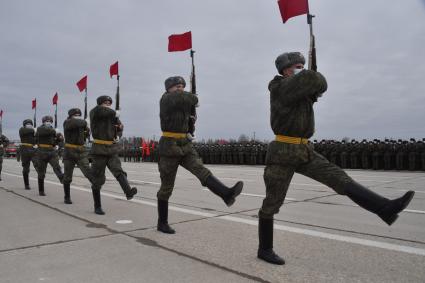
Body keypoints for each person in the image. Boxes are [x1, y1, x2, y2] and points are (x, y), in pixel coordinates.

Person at [258, 52, 415, 265]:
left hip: (304, 150)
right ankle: (265, 249)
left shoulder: (300, 90)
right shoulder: (279, 87)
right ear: (285, 70)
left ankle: (384, 208)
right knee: (272, 202)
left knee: (338, 177)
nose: (301, 69)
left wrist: (312, 76)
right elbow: (314, 80)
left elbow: (321, 84)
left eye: (303, 65)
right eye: (297, 66)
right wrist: (311, 73)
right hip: (283, 150)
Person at [157, 76, 243, 234]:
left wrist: (191, 121)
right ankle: (162, 222)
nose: (180, 88)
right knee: (167, 187)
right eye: (176, 86)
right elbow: (183, 98)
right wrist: (193, 97)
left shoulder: (184, 102)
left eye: (182, 85)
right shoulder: (167, 99)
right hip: (169, 146)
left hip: (185, 144)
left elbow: (190, 119)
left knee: (200, 169)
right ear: (168, 89)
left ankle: (226, 193)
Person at [90, 95, 137, 215]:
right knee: (97, 178)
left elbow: (119, 129)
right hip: (99, 149)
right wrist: (114, 113)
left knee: (118, 170)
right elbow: (102, 111)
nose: (107, 104)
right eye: (105, 102)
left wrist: (119, 129)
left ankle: (128, 192)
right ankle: (97, 206)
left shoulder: (112, 116)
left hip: (111, 149)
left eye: (109, 103)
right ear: (100, 103)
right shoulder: (96, 111)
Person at [62, 108, 93, 204]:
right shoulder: (67, 122)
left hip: (81, 151)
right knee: (67, 176)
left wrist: (87, 130)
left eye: (79, 115)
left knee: (88, 172)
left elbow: (86, 135)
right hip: (69, 152)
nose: (77, 116)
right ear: (71, 116)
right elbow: (76, 123)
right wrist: (85, 122)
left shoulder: (81, 125)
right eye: (75, 115)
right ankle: (67, 196)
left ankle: (96, 190)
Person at [35, 116, 64, 195]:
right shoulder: (40, 129)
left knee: (57, 166)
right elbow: (44, 132)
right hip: (42, 151)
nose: (48, 122)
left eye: (49, 121)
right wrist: (55, 132)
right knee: (41, 172)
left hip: (52, 151)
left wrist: (59, 140)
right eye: (46, 121)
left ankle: (62, 179)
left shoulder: (54, 130)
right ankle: (41, 190)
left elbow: (60, 140)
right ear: (43, 122)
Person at [18, 119, 37, 189]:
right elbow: (26, 131)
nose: (29, 125)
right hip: (25, 150)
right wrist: (34, 130)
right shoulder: (22, 130)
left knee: (38, 166)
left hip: (33, 150)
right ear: (24, 125)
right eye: (27, 124)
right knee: (26, 168)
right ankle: (26, 184)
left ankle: (41, 183)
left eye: (30, 124)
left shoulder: (34, 132)